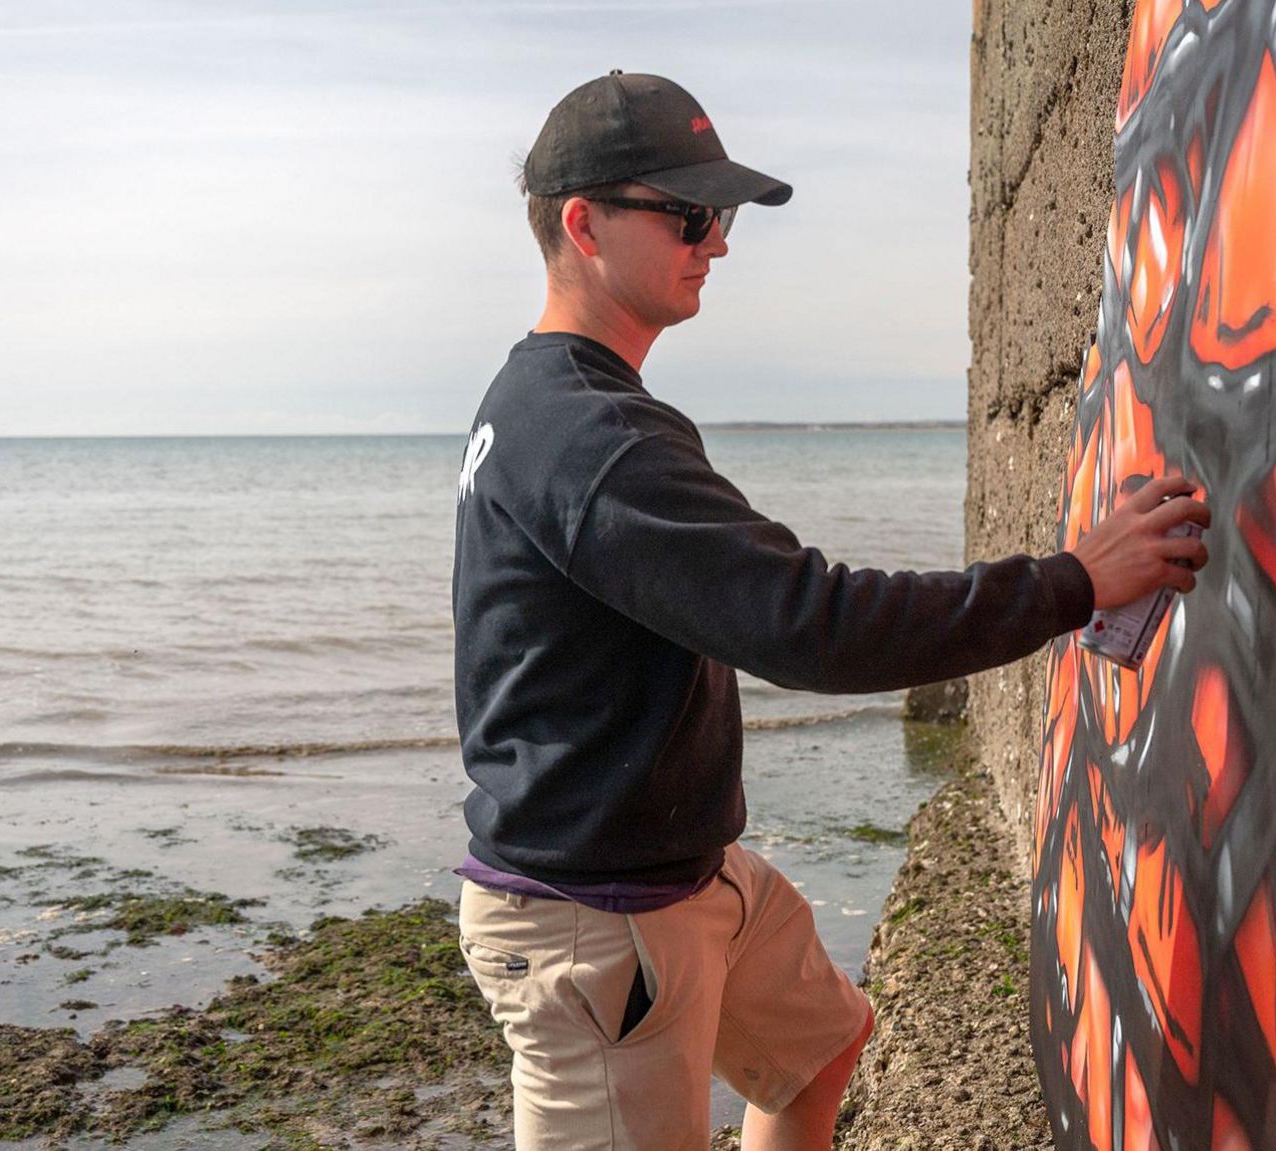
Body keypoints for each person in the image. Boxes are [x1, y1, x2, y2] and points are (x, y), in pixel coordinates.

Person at [451, 71, 1210, 1151]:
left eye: (719, 216)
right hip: (593, 920)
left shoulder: (550, 404)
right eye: (687, 214)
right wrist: (1072, 581)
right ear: (581, 223)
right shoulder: (589, 440)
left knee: (818, 1045)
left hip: (681, 869)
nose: (715, 241)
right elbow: (811, 623)